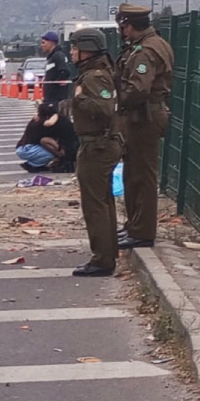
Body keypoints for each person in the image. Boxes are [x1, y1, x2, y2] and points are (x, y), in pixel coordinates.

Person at [114, 4, 174, 250]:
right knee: (133, 173)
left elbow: (138, 88)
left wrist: (116, 100)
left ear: (129, 25)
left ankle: (142, 231)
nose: (123, 32)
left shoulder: (146, 51)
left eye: (123, 27)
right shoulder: (152, 44)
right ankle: (134, 225)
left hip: (144, 117)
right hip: (144, 115)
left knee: (142, 175)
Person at [69, 28, 123, 277]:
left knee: (95, 205)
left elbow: (104, 109)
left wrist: (78, 100)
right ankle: (107, 253)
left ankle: (102, 259)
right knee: (102, 201)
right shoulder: (94, 74)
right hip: (98, 144)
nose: (71, 52)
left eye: (75, 47)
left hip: (98, 146)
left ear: (86, 50)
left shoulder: (94, 77)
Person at [15, 103, 78, 173]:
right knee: (50, 151)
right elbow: (49, 124)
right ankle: (33, 165)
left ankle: (36, 164)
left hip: (26, 148)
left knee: (50, 146)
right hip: (26, 148)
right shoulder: (41, 123)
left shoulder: (40, 120)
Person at [40, 31, 72, 106]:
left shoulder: (58, 56)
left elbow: (65, 71)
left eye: (43, 43)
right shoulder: (52, 57)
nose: (41, 45)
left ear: (51, 43)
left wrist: (55, 86)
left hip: (56, 100)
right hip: (50, 98)